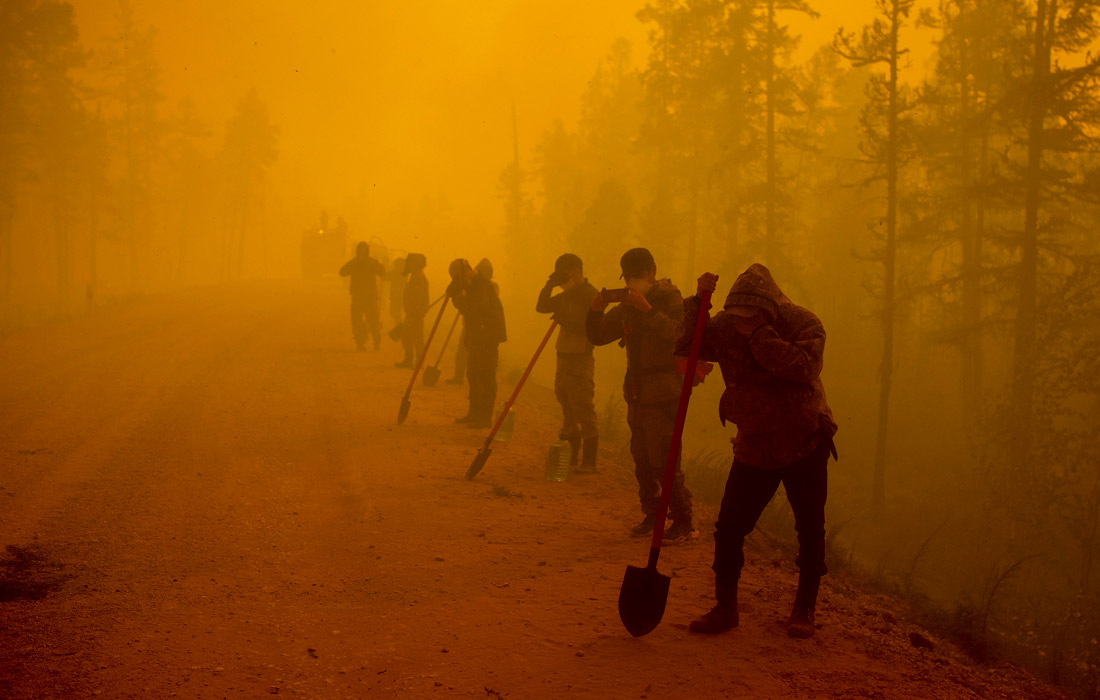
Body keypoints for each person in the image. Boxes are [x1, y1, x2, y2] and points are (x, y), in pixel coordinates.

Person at [680, 264, 837, 639]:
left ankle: (803, 609)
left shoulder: (803, 323)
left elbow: (804, 367)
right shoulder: (725, 325)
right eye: (737, 316)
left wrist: (761, 337)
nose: (741, 322)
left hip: (805, 442)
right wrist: (698, 305)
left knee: (810, 530)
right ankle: (725, 607)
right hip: (754, 444)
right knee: (730, 527)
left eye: (750, 316)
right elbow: (689, 345)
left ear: (768, 310)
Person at [586, 247, 695, 542]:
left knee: (665, 458)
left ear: (652, 271)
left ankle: (683, 519)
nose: (633, 282)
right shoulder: (627, 305)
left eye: (637, 276)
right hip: (637, 392)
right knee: (641, 457)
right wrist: (595, 311)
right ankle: (651, 512)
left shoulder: (669, 298)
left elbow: (680, 335)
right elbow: (598, 336)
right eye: (628, 278)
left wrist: (647, 309)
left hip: (664, 393)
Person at [537, 254, 599, 472]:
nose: (564, 278)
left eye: (565, 273)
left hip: (580, 357)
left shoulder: (591, 295)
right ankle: (571, 453)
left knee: (583, 403)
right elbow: (542, 306)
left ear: (576, 271)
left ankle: (589, 460)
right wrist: (549, 285)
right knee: (564, 398)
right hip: (563, 354)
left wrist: (566, 319)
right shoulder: (566, 295)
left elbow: (591, 327)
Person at [448, 258, 506, 429]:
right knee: (473, 374)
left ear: (467, 271)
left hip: (487, 337)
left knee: (486, 375)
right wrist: (457, 294)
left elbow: (476, 308)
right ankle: (474, 413)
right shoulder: (474, 284)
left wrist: (459, 300)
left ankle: (485, 417)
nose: (462, 282)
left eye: (460, 278)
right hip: (477, 336)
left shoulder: (481, 284)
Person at [339, 241, 385, 351]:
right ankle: (372, 344)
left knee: (362, 322)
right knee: (368, 321)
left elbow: (342, 272)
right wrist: (380, 264)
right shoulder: (372, 262)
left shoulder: (356, 263)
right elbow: (382, 272)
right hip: (366, 298)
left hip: (362, 298)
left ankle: (365, 344)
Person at [397, 254, 428, 369]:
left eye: (409, 263)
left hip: (415, 314)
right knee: (407, 337)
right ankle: (408, 360)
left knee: (417, 338)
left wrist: (412, 315)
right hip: (411, 313)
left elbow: (417, 299)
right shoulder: (415, 276)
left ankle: (419, 363)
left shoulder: (418, 278)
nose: (407, 265)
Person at [386, 256, 407, 330]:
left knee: (395, 313)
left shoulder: (396, 272)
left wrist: (384, 266)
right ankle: (399, 328)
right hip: (400, 296)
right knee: (395, 313)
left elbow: (385, 277)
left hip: (396, 297)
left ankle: (400, 329)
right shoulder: (403, 273)